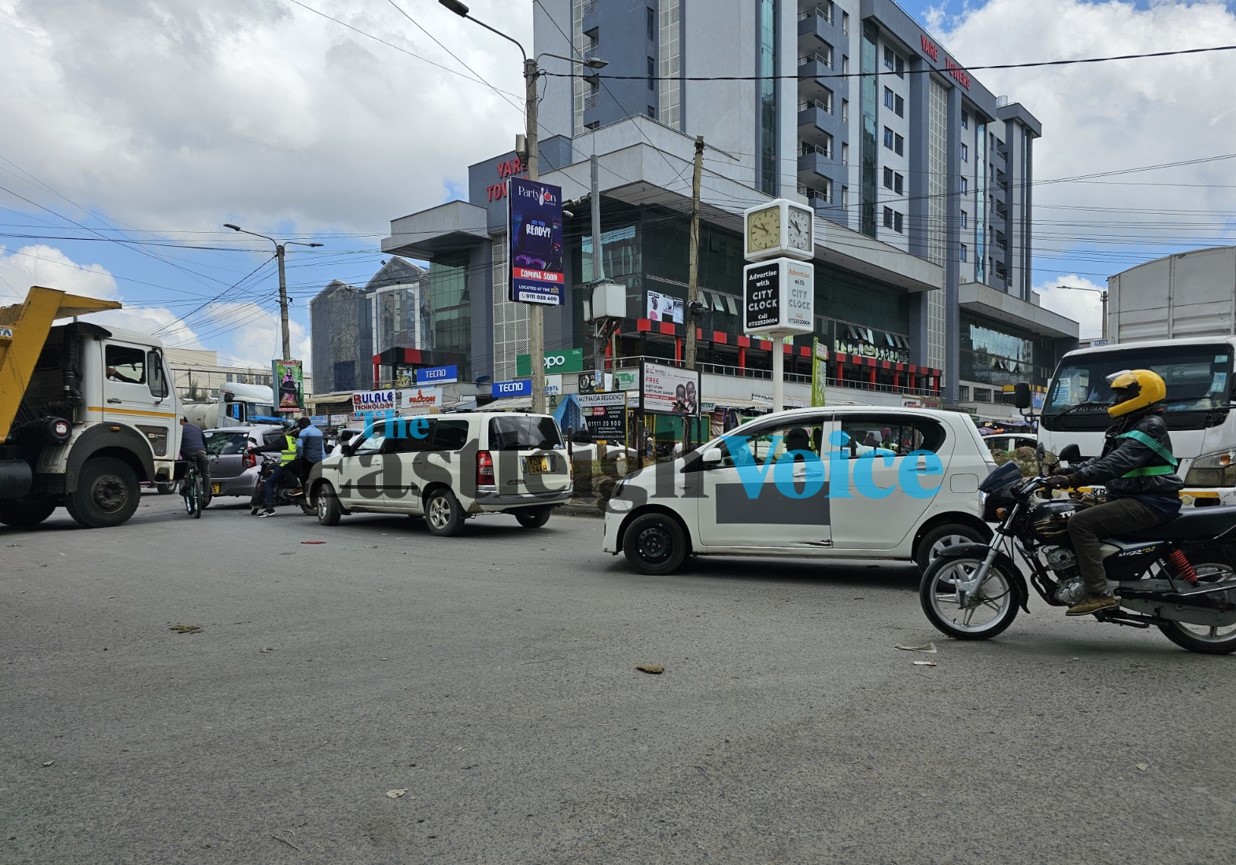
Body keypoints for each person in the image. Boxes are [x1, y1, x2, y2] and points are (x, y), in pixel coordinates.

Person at [1044, 369, 1183, 616]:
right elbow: (1103, 459)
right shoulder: (1132, 423)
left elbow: (1117, 463)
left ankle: (1098, 593)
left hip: (1152, 501)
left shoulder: (1150, 425)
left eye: (1120, 394)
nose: (1114, 401)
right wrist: (1066, 470)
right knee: (1073, 512)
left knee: (1080, 524)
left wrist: (1073, 478)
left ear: (1142, 395)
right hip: (1136, 497)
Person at [251, 425, 299, 515]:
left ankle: (270, 508)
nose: (283, 433)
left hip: (286, 465)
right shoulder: (296, 440)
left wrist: (254, 450)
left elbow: (270, 446)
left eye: (284, 431)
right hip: (296, 465)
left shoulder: (286, 439)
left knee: (269, 482)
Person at [179, 417, 210, 495]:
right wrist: (206, 452)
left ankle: (186, 484)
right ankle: (206, 495)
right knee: (206, 474)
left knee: (184, 470)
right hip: (201, 452)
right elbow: (204, 442)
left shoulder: (179, 428)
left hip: (187, 453)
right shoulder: (197, 427)